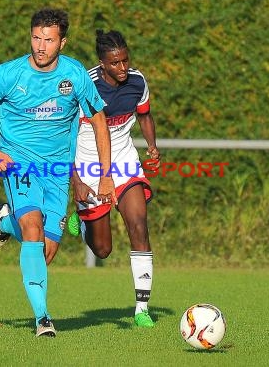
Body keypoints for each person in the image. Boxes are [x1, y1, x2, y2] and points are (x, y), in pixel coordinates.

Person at [0, 9, 116, 337]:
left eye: (49, 39)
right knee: (32, 229)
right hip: (19, 165)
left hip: (57, 171)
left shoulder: (75, 75)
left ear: (62, 42)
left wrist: (105, 174)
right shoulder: (9, 74)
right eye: (36, 37)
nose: (41, 45)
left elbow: (98, 119)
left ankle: (5, 221)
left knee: (46, 251)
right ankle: (43, 318)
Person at [68, 29, 161, 328]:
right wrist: (76, 180)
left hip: (124, 163)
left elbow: (145, 116)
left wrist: (152, 146)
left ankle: (141, 309)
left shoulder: (137, 81)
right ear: (102, 63)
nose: (123, 68)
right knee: (103, 250)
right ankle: (80, 225)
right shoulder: (84, 84)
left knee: (139, 224)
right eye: (115, 63)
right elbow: (64, 133)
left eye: (125, 60)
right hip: (89, 168)